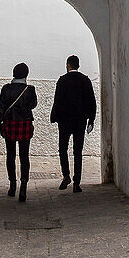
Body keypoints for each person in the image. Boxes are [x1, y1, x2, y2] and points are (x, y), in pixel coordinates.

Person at [50, 55, 97, 193]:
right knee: (78, 151)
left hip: (65, 121)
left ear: (68, 65)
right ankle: (77, 182)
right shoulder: (85, 80)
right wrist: (91, 119)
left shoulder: (62, 81)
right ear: (78, 65)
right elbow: (91, 101)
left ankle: (66, 175)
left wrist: (54, 116)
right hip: (80, 121)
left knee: (63, 149)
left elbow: (57, 100)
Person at [0, 62, 38, 202]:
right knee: (24, 156)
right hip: (24, 125)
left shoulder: (6, 89)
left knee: (10, 155)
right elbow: (33, 104)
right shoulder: (30, 90)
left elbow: (0, 109)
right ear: (26, 74)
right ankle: (23, 186)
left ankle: (12, 185)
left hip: (10, 124)